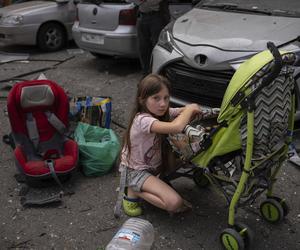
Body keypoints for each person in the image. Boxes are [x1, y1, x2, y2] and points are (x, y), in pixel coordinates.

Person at [119, 74, 201, 217]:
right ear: (142, 100)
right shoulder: (142, 120)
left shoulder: (160, 111)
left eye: (166, 98)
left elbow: (178, 112)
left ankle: (148, 184)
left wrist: (191, 110)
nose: (163, 104)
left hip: (153, 168)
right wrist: (190, 109)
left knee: (186, 158)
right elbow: (177, 127)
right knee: (174, 203)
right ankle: (133, 189)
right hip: (136, 172)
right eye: (156, 98)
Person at [128, 0, 170, 76]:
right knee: (143, 49)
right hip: (141, 17)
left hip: (157, 17)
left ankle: (158, 76)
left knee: (158, 49)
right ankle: (146, 75)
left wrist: (141, 1)